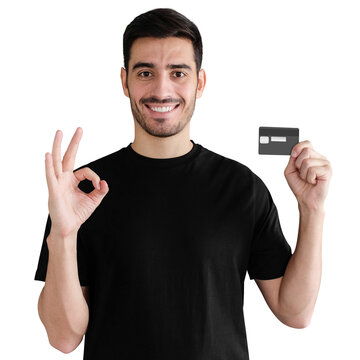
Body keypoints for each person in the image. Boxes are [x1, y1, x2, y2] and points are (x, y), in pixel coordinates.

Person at [34, 8, 332, 360]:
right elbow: (63, 337)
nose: (162, 90)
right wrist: (64, 235)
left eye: (178, 73)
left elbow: (294, 312)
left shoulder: (242, 188)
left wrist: (311, 210)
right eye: (146, 72)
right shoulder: (83, 190)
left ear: (199, 83)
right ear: (124, 81)